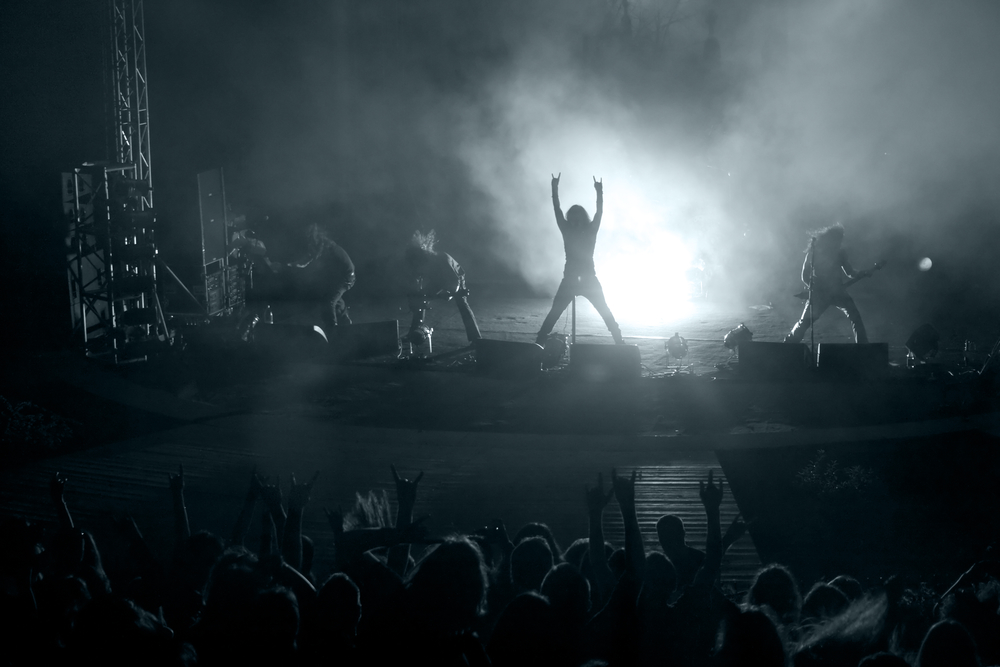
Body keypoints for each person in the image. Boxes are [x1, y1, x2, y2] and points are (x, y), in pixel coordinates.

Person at [536, 174, 624, 345]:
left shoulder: (590, 230)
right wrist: (554, 189)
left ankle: (620, 342)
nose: (575, 221)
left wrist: (599, 192)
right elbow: (557, 210)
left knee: (605, 312)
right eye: (573, 218)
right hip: (570, 279)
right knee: (554, 313)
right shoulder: (567, 230)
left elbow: (599, 213)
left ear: (582, 218)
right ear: (571, 218)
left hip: (588, 278)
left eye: (577, 218)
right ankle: (538, 343)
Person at [784, 223, 869, 344]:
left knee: (855, 317)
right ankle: (788, 344)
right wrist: (814, 289)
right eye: (838, 239)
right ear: (831, 239)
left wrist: (861, 273)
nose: (840, 242)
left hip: (838, 293)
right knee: (805, 322)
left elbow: (849, 272)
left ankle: (863, 346)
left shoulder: (840, 253)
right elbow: (804, 275)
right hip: (820, 294)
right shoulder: (814, 252)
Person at [403, 230, 482, 345]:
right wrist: (418, 296)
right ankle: (413, 332)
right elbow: (417, 280)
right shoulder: (419, 262)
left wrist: (444, 294)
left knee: (462, 303)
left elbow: (454, 285)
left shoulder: (443, 259)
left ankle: (476, 338)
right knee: (421, 298)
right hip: (438, 280)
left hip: (456, 279)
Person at [282, 223, 355, 334]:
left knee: (328, 301)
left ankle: (332, 329)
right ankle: (346, 323)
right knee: (334, 300)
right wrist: (288, 265)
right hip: (338, 278)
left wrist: (290, 266)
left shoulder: (325, 245)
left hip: (346, 277)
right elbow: (305, 261)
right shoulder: (318, 246)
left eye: (307, 234)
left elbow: (308, 261)